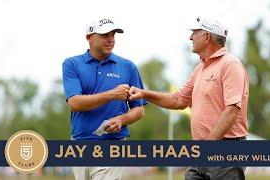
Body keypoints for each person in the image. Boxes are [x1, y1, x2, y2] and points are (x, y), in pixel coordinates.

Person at [129, 16, 249, 180]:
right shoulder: (201, 68)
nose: (190, 37)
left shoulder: (230, 65)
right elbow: (178, 100)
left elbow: (233, 110)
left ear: (207, 37)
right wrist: (144, 94)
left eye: (195, 33)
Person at [62, 17, 146, 180]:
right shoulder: (72, 64)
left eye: (113, 34)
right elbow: (75, 103)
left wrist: (121, 120)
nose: (111, 39)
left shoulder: (128, 67)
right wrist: (112, 94)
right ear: (89, 37)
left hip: (112, 145)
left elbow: (139, 110)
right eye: (105, 35)